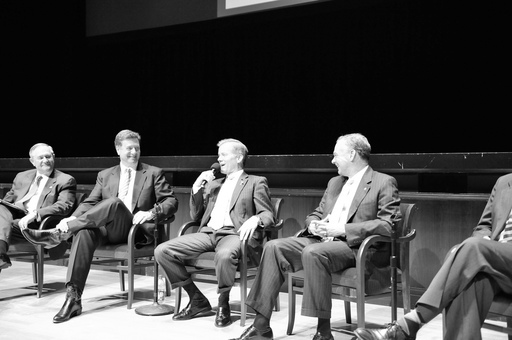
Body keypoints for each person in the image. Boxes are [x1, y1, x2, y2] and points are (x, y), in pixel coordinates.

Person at [231, 133, 402, 340]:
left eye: (335, 155)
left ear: (351, 154)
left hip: (355, 247)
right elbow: (317, 213)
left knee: (314, 252)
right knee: (274, 247)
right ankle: (260, 326)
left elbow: (388, 225)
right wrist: (313, 224)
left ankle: (323, 331)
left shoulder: (383, 182)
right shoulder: (334, 183)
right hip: (322, 241)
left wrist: (342, 229)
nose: (332, 160)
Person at [23, 129, 178, 323]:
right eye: (129, 148)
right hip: (108, 230)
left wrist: (151, 212)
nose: (133, 153)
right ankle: (73, 298)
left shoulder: (153, 173)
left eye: (136, 148)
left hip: (135, 231)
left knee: (113, 203)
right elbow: (90, 203)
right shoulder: (105, 175)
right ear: (118, 149)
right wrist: (70, 219)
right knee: (85, 233)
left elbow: (170, 202)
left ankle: (61, 234)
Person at [354, 174, 512, 340]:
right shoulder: (504, 182)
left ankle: (412, 322)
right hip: (498, 264)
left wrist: (479, 247)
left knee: (473, 248)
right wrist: (484, 242)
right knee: (472, 278)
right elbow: (484, 227)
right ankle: (408, 326)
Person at [154, 138, 275, 328]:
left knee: (225, 255)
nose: (220, 160)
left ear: (239, 157)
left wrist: (256, 219)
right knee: (162, 250)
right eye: (219, 156)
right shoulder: (214, 184)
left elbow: (268, 214)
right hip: (208, 233)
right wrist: (196, 188)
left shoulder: (255, 182)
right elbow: (196, 215)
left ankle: (223, 303)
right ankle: (196, 299)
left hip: (234, 235)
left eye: (224, 155)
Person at [0, 143, 76, 272]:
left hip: (37, 224)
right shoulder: (22, 176)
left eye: (48, 156)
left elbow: (64, 206)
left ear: (54, 157)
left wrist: (35, 214)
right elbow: (8, 200)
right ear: (32, 161)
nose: (45, 160)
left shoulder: (65, 180)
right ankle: (1, 255)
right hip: (13, 219)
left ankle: (1, 254)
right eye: (40, 158)